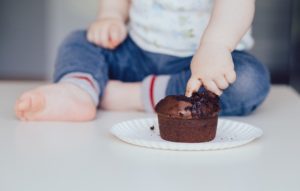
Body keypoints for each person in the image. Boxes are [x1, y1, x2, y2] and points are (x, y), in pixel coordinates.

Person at [15, 0, 270, 121]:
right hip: (136, 55)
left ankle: (129, 96)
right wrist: (111, 16)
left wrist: (216, 46)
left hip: (197, 70)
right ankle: (77, 89)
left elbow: (236, 6)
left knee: (249, 79)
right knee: (80, 41)